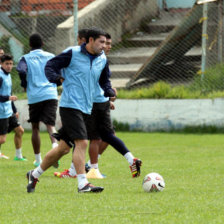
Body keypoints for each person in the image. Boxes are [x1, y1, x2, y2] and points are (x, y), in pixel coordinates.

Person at [26, 27, 116, 193]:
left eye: (106, 42)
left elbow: (104, 80)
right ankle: (83, 184)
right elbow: (50, 66)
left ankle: (35, 174)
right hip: (70, 106)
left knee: (63, 149)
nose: (104, 45)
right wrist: (55, 78)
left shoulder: (102, 59)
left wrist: (108, 90)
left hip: (87, 108)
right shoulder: (72, 53)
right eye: (101, 42)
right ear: (90, 41)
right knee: (82, 142)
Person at [54, 33, 142, 179]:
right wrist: (108, 99)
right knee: (106, 135)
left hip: (90, 102)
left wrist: (108, 96)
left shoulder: (97, 59)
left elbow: (96, 82)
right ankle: (130, 159)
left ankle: (83, 170)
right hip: (100, 101)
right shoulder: (98, 58)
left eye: (107, 43)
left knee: (84, 138)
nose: (107, 46)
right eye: (105, 43)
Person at [16, 34, 59, 167]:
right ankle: (55, 148)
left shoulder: (25, 58)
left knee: (35, 127)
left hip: (35, 96)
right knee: (51, 125)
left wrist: (24, 84)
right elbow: (60, 71)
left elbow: (21, 70)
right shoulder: (51, 56)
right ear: (43, 43)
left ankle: (39, 159)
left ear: (29, 45)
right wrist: (55, 83)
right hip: (50, 94)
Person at [0, 54, 26, 161]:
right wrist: (8, 98)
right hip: (1, 112)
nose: (9, 66)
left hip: (8, 110)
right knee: (2, 139)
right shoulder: (0, 76)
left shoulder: (8, 75)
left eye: (11, 64)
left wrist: (14, 110)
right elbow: (7, 96)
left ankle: (18, 156)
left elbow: (9, 93)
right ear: (1, 64)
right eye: (7, 64)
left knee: (20, 130)